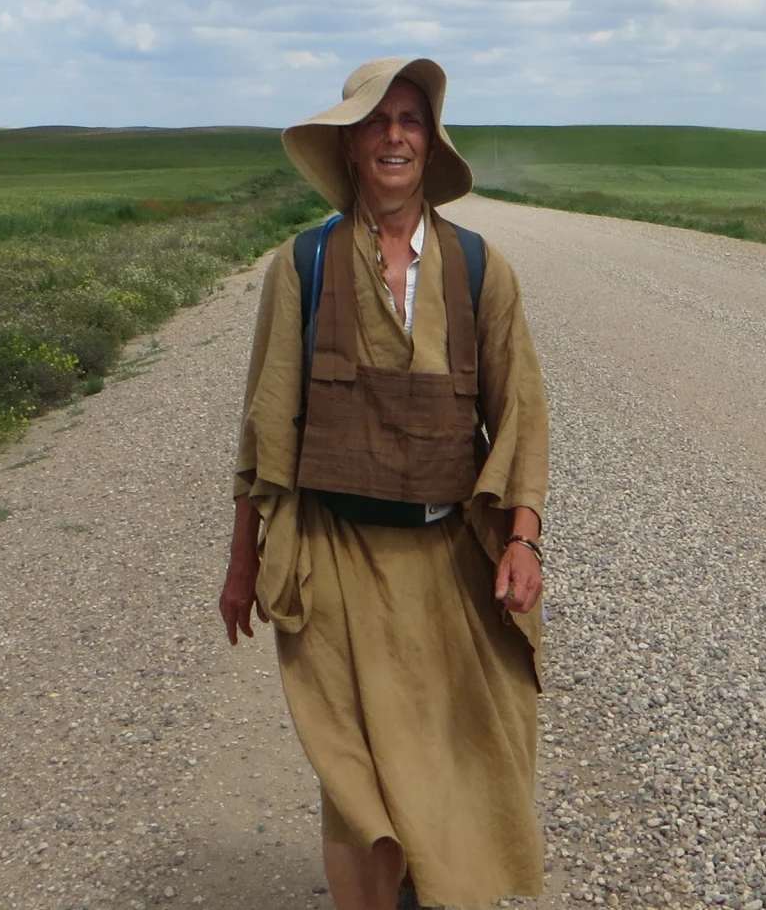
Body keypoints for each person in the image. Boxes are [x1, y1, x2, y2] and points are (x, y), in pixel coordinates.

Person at [219, 57, 550, 910]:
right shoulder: (302, 267)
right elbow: (264, 431)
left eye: (411, 119)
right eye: (377, 120)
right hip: (333, 557)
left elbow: (521, 417)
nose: (395, 134)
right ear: (352, 145)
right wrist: (242, 564)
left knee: (447, 757)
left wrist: (521, 539)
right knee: (355, 774)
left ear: (429, 144)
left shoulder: (482, 270)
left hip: (447, 564)